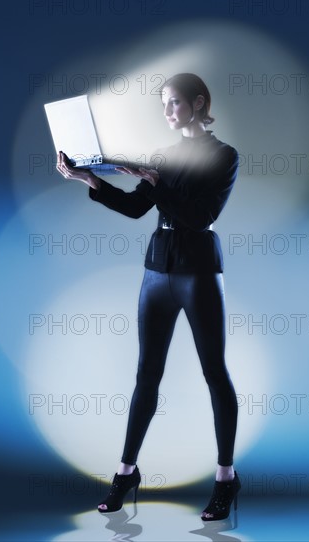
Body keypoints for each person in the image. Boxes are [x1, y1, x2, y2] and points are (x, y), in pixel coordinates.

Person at [56, 73, 241, 521]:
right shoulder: (164, 156)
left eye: (174, 103)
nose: (167, 112)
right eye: (164, 104)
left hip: (198, 267)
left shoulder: (224, 156)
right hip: (157, 269)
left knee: (214, 371)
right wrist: (88, 180)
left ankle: (225, 478)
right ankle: (126, 473)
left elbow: (201, 215)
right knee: (146, 375)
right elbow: (137, 208)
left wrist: (155, 182)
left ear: (198, 103)